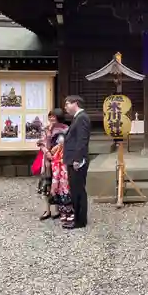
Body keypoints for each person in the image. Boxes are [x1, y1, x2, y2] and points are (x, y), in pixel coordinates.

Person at [63, 95, 91, 229]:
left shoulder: (82, 118)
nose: (66, 107)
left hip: (77, 160)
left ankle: (80, 221)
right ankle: (79, 218)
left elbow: (82, 140)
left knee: (78, 190)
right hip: (73, 158)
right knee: (75, 189)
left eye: (67, 104)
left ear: (76, 103)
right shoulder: (77, 118)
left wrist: (77, 159)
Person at [37, 109, 69, 221]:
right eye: (50, 116)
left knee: (58, 185)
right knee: (46, 184)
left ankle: (57, 209)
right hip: (46, 160)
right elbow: (41, 142)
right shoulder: (45, 129)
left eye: (54, 116)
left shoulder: (65, 129)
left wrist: (55, 151)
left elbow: (65, 143)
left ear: (59, 117)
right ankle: (47, 210)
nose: (51, 118)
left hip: (59, 160)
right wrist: (47, 152)